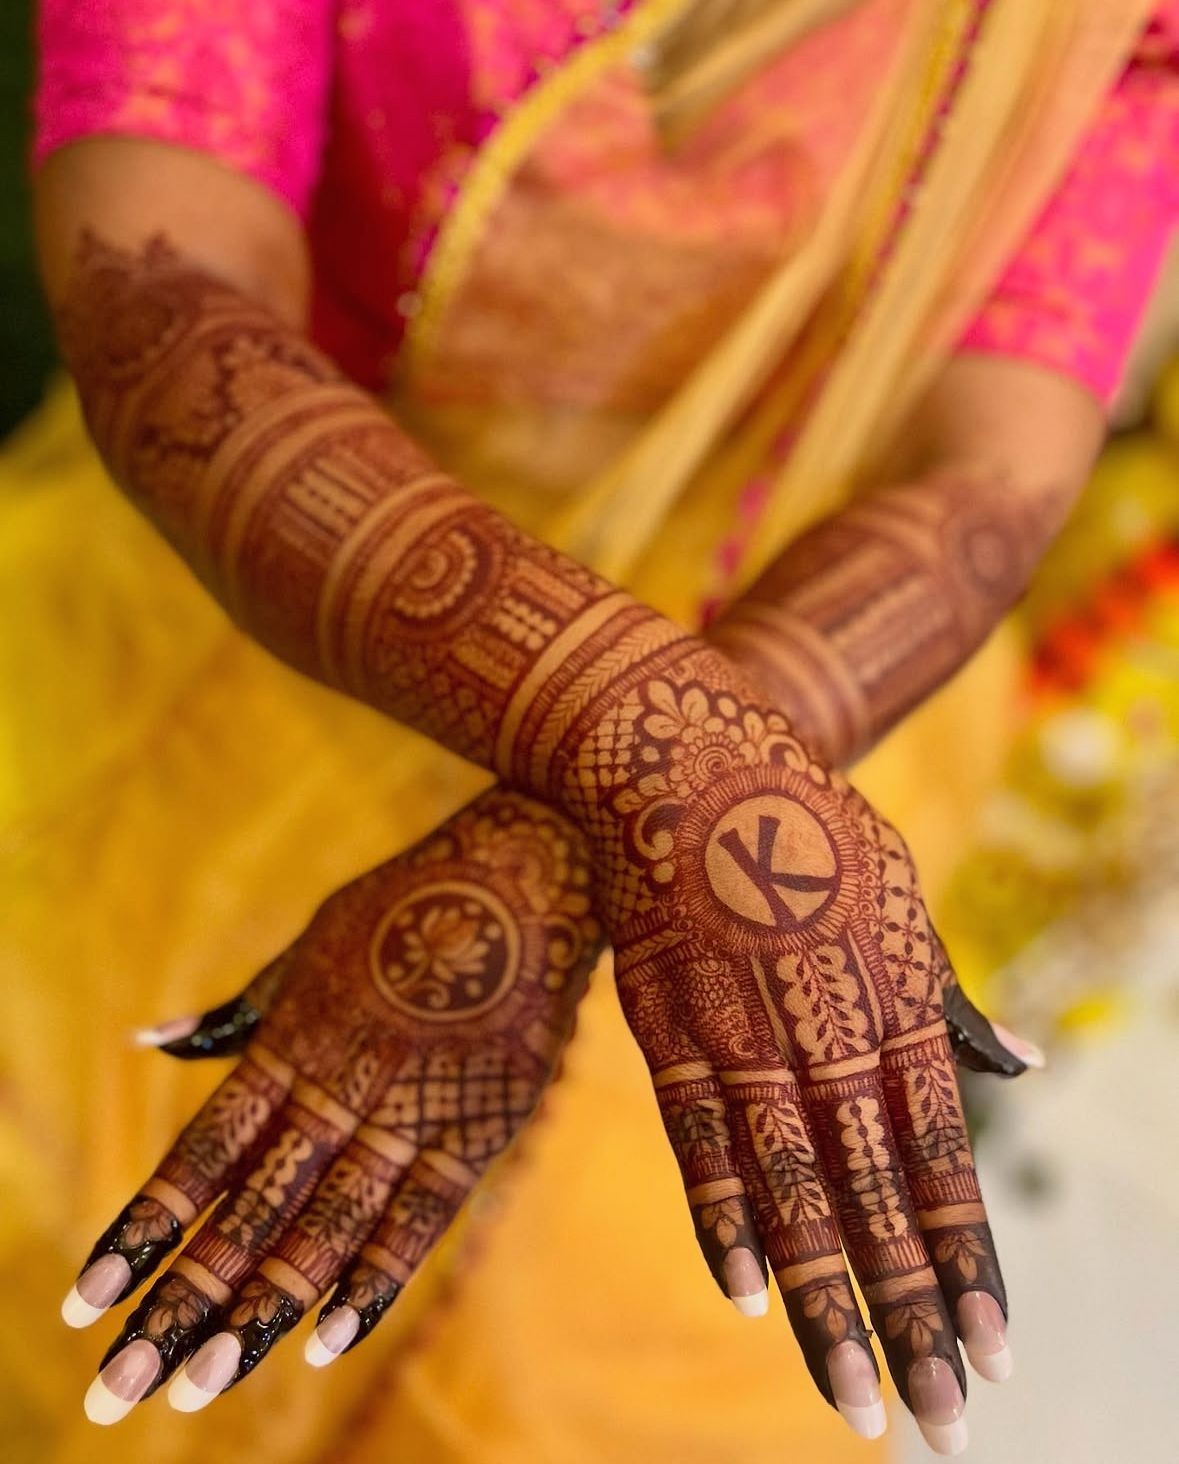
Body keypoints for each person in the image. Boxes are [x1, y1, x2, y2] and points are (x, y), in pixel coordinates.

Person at [4, 2, 1175, 1461]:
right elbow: (164, 300)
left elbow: (988, 465)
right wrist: (678, 773)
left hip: (814, 691)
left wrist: (604, 830)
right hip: (259, 614)